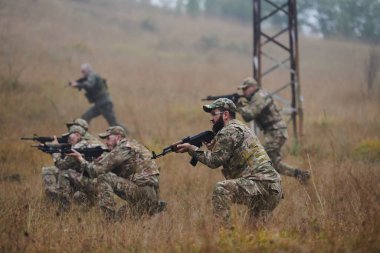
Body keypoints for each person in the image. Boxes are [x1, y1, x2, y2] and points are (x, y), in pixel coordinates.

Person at [175, 98, 282, 225]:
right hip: (272, 188)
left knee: (222, 189)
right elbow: (229, 153)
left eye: (214, 114)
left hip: (260, 184)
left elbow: (214, 161)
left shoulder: (229, 131)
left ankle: (224, 235)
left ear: (225, 115)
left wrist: (192, 149)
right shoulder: (240, 127)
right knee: (254, 232)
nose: (211, 118)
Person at [69, 126, 165, 220]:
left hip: (142, 194)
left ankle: (108, 219)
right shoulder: (136, 146)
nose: (106, 142)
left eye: (108, 138)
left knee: (104, 177)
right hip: (150, 196)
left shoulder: (124, 147)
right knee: (120, 219)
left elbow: (96, 171)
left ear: (118, 137)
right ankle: (154, 210)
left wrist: (80, 159)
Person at [236, 77, 310, 184]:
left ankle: (266, 187)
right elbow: (248, 114)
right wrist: (242, 106)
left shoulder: (259, 96)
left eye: (245, 89)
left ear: (253, 87)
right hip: (274, 132)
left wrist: (237, 107)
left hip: (276, 131)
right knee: (275, 164)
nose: (243, 92)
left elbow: (249, 115)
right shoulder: (256, 97)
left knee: (261, 160)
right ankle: (300, 174)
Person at [44, 125, 98, 210]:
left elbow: (62, 165)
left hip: (92, 183)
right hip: (93, 182)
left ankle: (64, 206)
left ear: (77, 135)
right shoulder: (85, 144)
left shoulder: (78, 147)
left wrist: (54, 151)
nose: (68, 139)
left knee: (65, 173)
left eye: (70, 136)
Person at [68, 63, 127, 132]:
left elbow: (89, 84)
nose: (82, 73)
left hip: (104, 104)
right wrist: (77, 84)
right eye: (82, 72)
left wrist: (78, 84)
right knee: (86, 117)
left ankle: (128, 133)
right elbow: (86, 83)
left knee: (113, 124)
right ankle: (81, 134)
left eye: (83, 71)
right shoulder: (92, 76)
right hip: (101, 103)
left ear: (88, 70)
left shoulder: (92, 75)